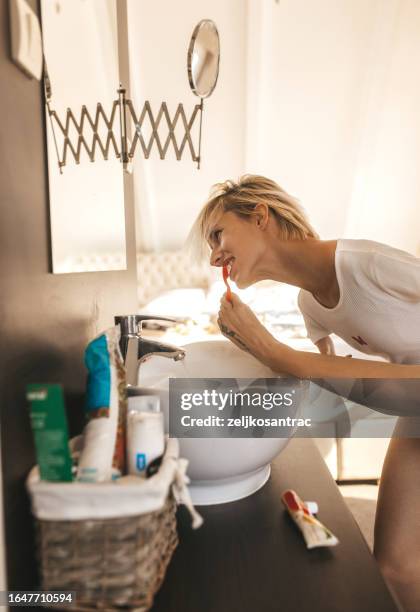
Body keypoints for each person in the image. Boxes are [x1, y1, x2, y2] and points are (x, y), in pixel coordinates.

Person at [190, 174, 420, 611]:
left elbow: (315, 368)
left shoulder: (367, 264)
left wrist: (277, 352)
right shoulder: (310, 307)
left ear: (260, 216)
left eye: (217, 234)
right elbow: (340, 379)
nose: (214, 254)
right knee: (394, 567)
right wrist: (262, 352)